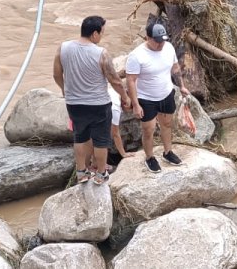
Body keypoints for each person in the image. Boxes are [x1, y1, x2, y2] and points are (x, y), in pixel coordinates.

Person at [53, 16, 130, 185]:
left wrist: (65, 90)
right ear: (94, 33)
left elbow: (56, 74)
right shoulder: (100, 53)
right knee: (101, 140)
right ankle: (101, 174)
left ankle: (81, 172)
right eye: (102, 33)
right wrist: (125, 97)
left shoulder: (63, 48)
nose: (101, 36)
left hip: (74, 103)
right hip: (98, 104)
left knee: (80, 137)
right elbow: (114, 80)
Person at [126, 22, 189, 173]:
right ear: (147, 38)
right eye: (157, 40)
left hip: (166, 93)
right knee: (148, 129)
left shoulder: (168, 47)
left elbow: (175, 68)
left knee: (167, 124)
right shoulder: (136, 56)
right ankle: (149, 157)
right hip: (146, 98)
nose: (160, 44)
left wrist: (182, 86)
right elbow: (131, 81)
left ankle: (168, 152)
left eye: (163, 40)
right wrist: (135, 104)